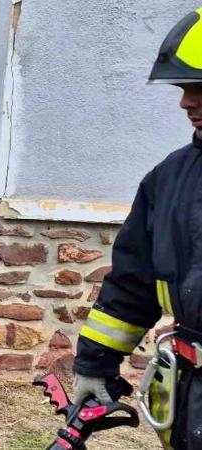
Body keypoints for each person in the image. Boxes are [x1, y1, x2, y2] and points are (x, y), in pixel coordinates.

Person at [72, 7, 202, 449]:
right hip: (192, 396)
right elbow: (134, 281)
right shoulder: (170, 178)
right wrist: (95, 364)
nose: (186, 102)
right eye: (185, 88)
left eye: (200, 88)